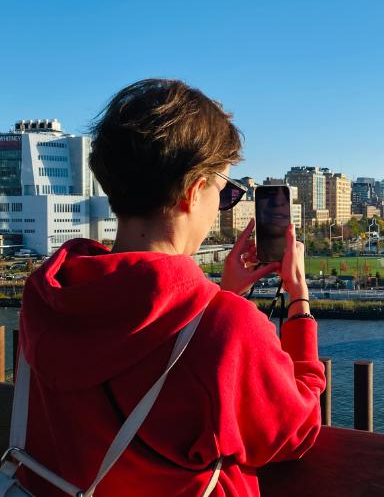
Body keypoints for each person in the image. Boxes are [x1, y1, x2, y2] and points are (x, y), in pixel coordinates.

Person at [17, 79, 325, 496]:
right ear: (194, 191)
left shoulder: (48, 296)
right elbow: (296, 432)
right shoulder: (228, 329)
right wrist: (298, 303)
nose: (223, 204)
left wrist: (221, 300)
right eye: (225, 191)